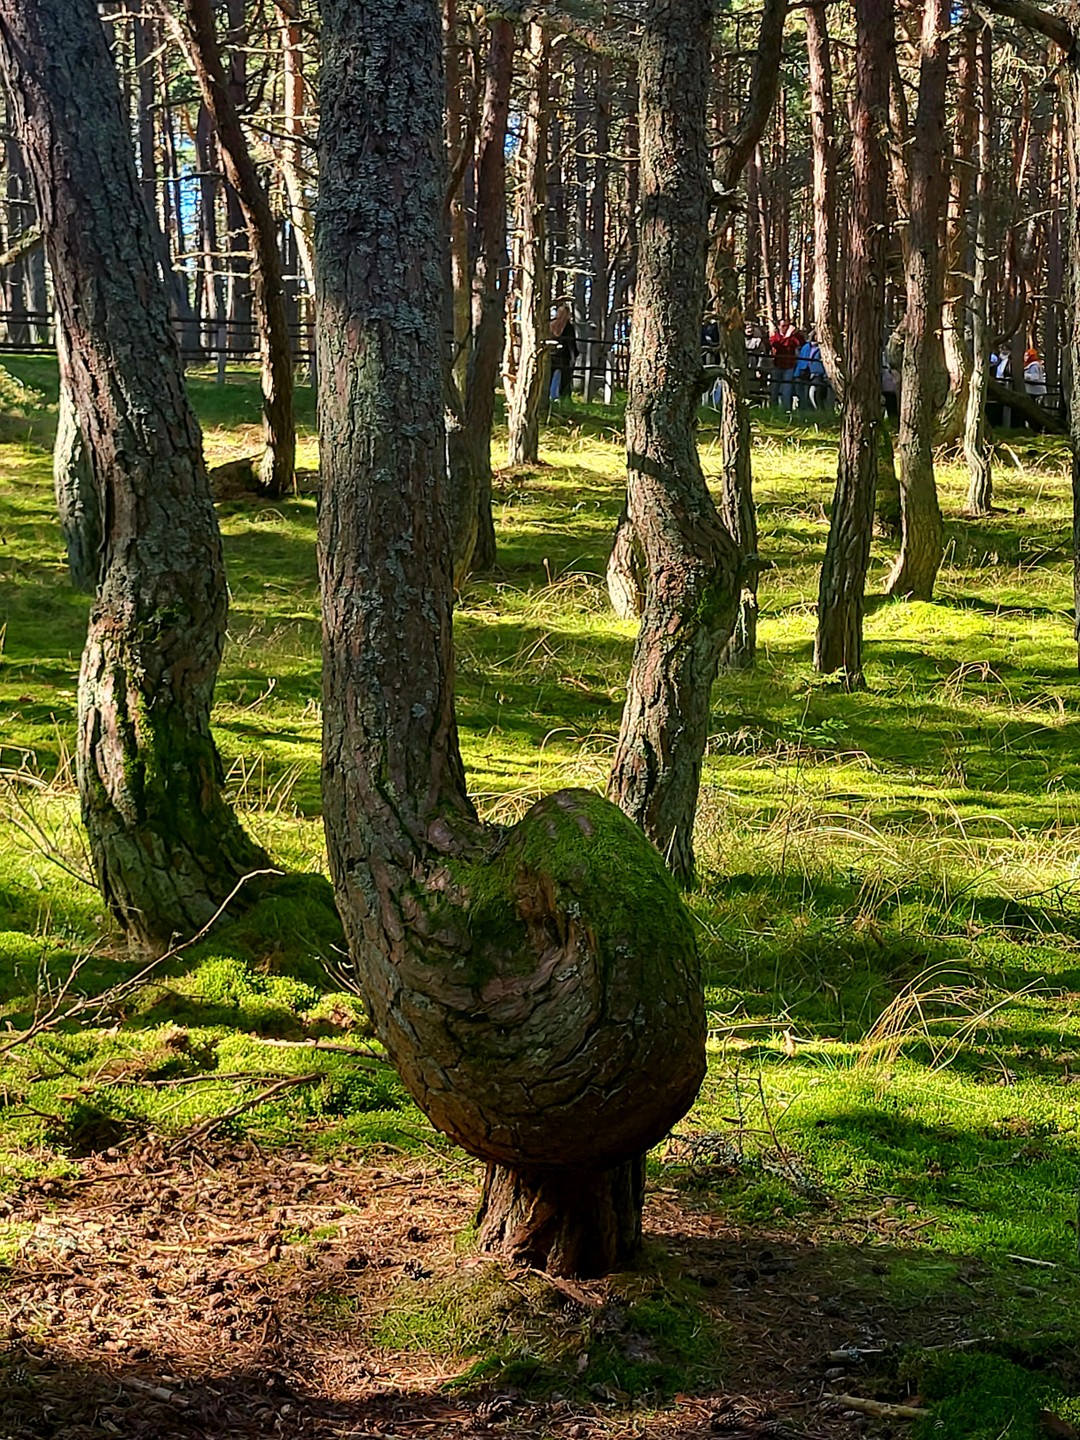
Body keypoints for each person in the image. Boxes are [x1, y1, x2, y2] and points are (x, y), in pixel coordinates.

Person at [768, 317, 802, 410]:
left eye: (787, 326)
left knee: (787, 388)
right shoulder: (775, 337)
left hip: (789, 366)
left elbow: (801, 343)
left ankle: (786, 410)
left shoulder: (793, 337)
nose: (785, 328)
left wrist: (796, 334)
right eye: (783, 326)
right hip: (777, 365)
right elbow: (779, 346)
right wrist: (787, 336)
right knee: (774, 388)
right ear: (779, 326)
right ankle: (773, 409)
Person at [793, 329, 830, 411]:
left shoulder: (823, 349)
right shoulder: (806, 347)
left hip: (817, 374)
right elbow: (801, 359)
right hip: (802, 373)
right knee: (802, 395)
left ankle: (819, 411)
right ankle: (804, 413)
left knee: (813, 393)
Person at [549, 301, 578, 402]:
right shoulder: (568, 327)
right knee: (563, 378)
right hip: (563, 357)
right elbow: (571, 343)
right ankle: (560, 396)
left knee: (552, 377)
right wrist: (573, 355)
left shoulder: (551, 324)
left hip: (551, 355)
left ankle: (553, 396)